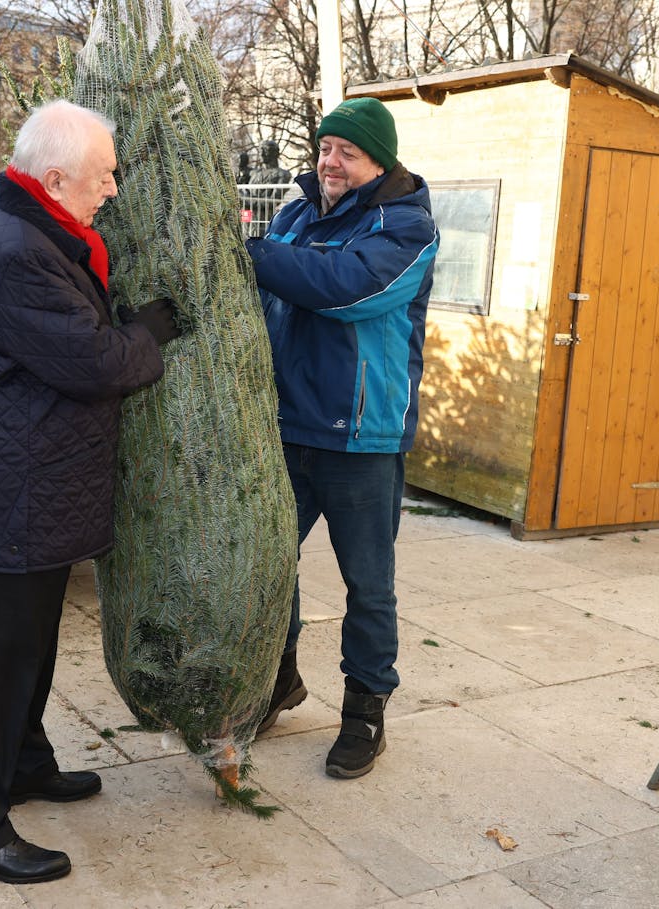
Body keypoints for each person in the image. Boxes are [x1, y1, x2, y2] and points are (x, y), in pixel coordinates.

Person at [0, 99, 181, 884]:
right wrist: (150, 331)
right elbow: (97, 364)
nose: (111, 190)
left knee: (28, 646)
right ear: (56, 176)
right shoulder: (18, 252)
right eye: (104, 176)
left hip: (26, 485)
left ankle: (25, 764)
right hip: (9, 493)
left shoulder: (35, 231)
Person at [243, 97, 438, 779]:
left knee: (368, 584)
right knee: (268, 565)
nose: (330, 161)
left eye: (346, 152)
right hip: (286, 427)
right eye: (325, 147)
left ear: (378, 160)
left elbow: (344, 287)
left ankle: (365, 711)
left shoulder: (405, 228)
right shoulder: (299, 211)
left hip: (361, 438)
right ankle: (279, 679)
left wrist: (253, 254)